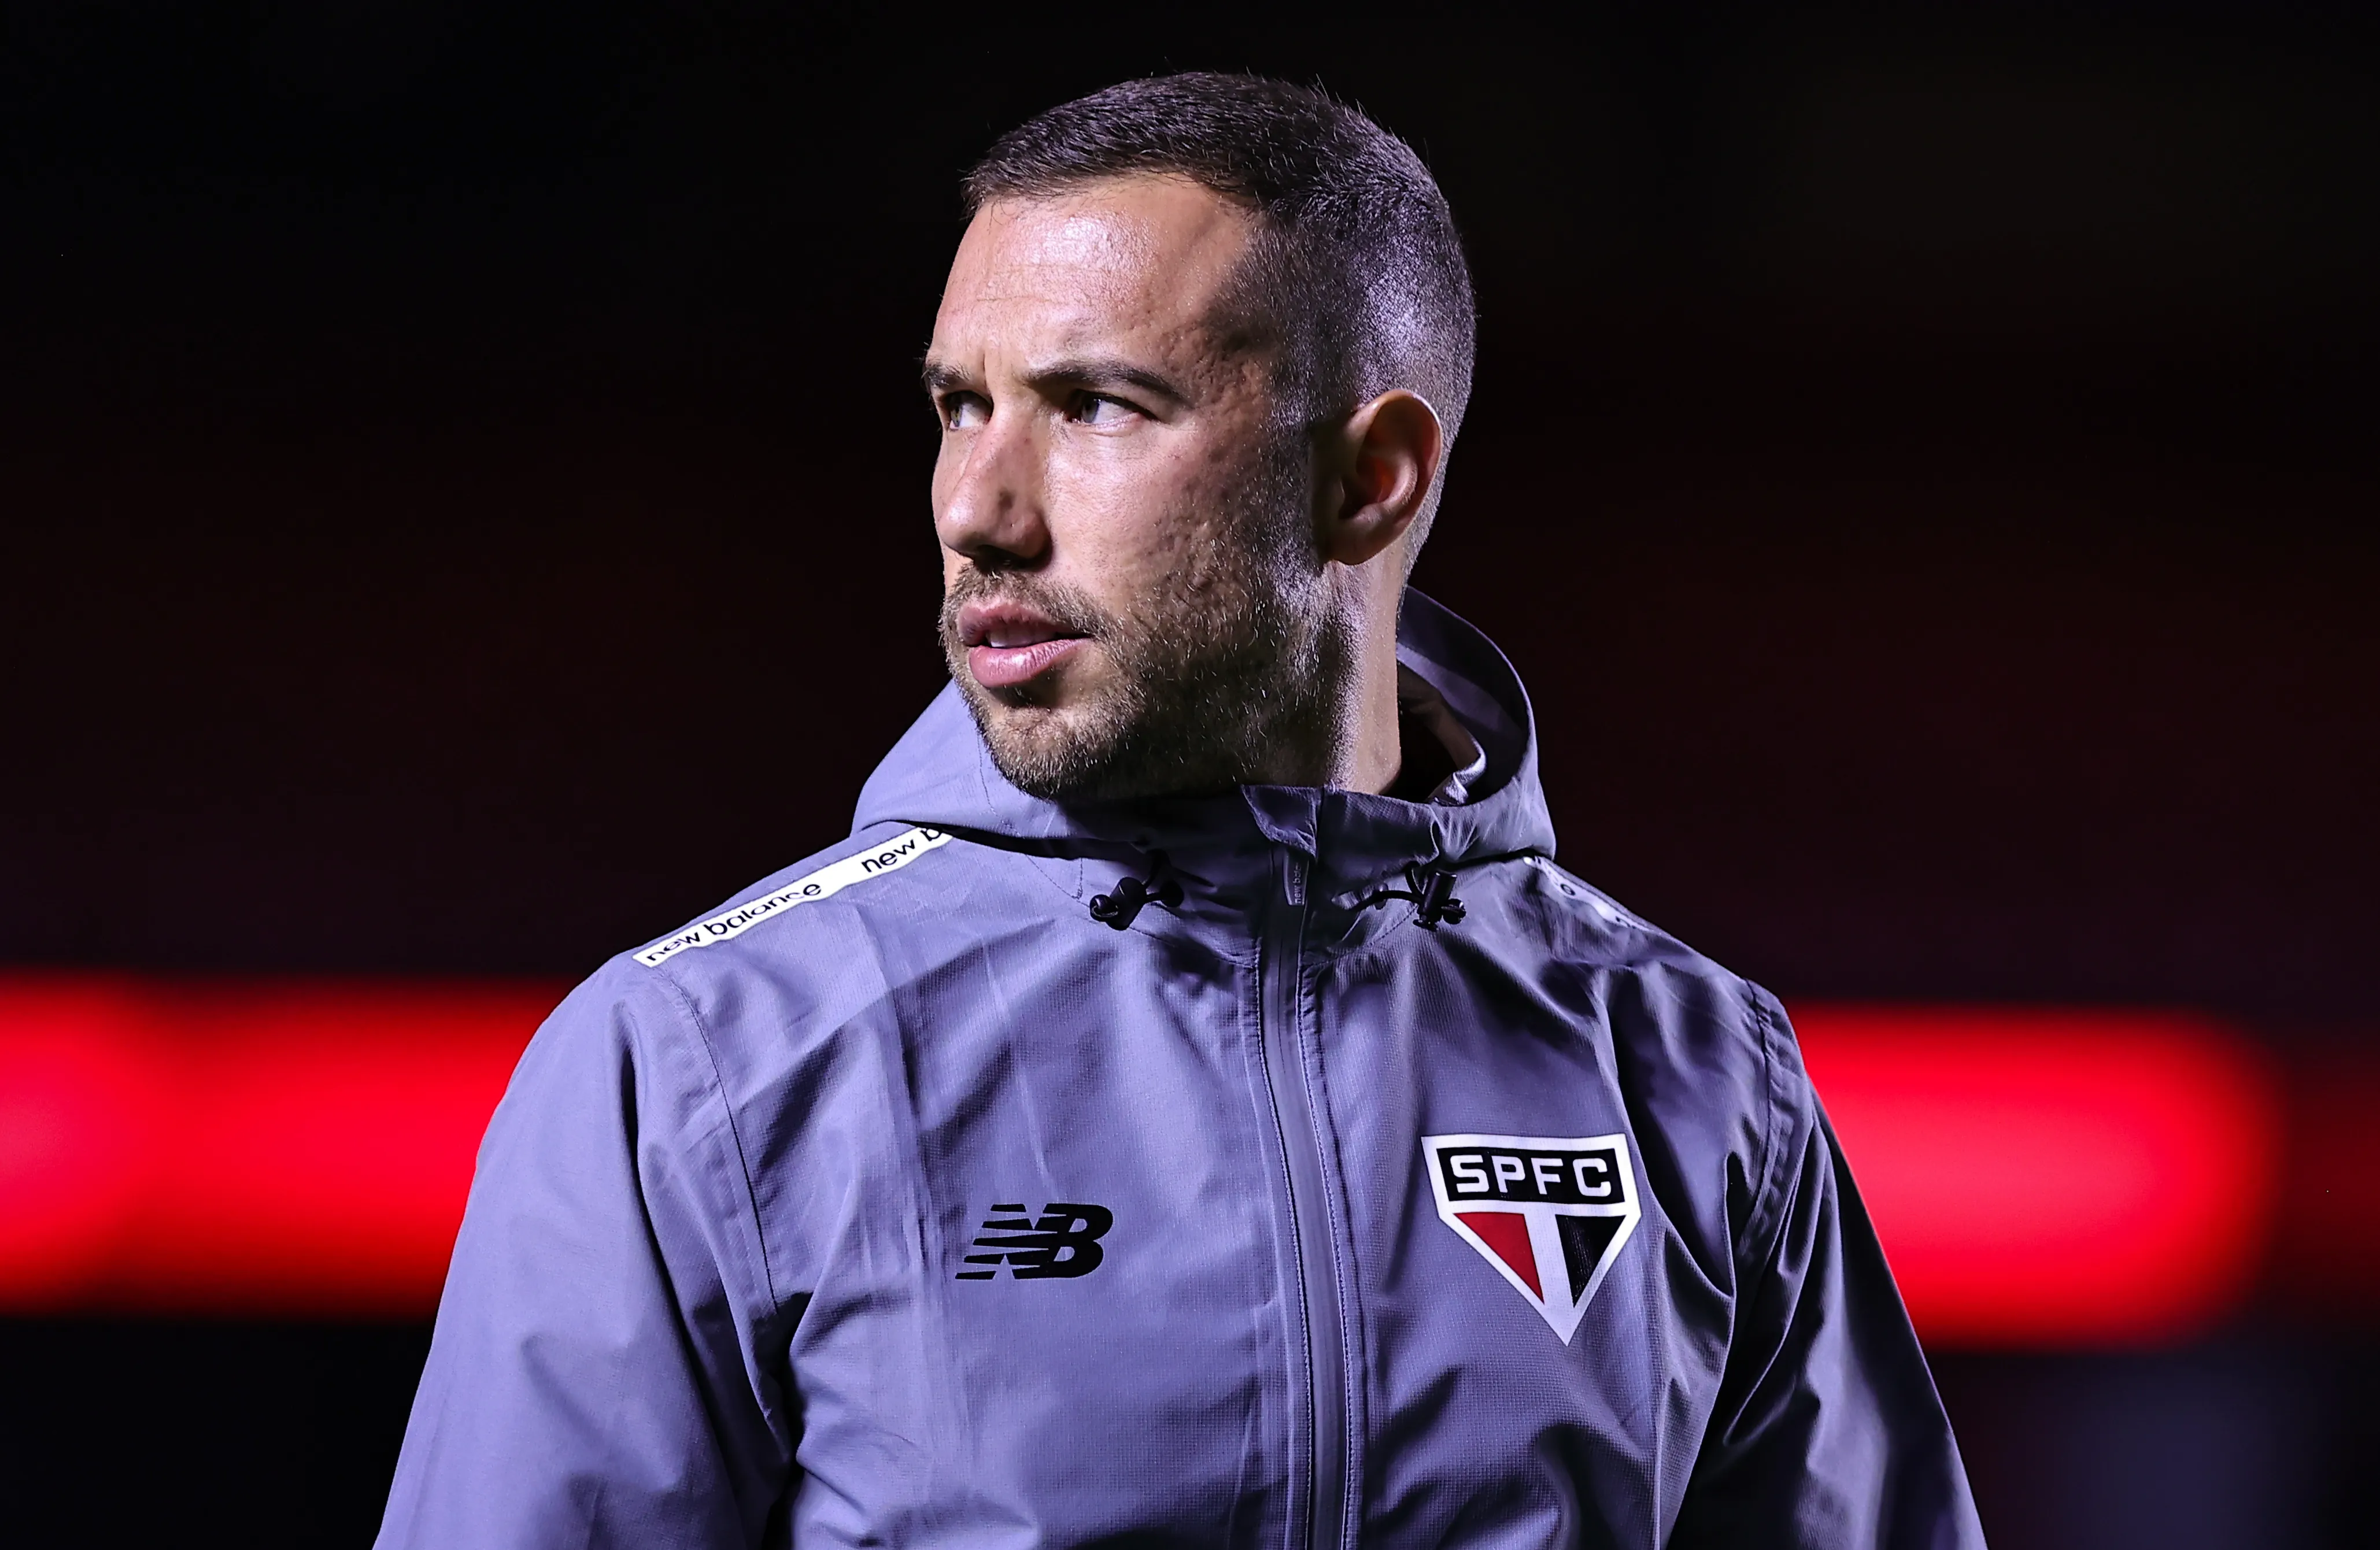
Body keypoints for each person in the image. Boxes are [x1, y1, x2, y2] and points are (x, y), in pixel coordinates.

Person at [377, 73, 1985, 1549]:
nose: (976, 512)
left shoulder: (1693, 1074)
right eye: (959, 405)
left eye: (1096, 406)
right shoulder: (704, 1059)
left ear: (1373, 480)